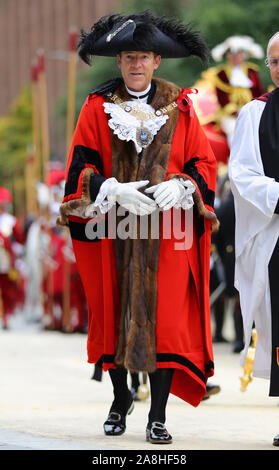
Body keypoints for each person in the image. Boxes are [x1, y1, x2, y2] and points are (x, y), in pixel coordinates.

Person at [58, 11, 218, 444]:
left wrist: (185, 187)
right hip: (114, 229)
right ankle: (119, 398)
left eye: (143, 57)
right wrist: (107, 186)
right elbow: (79, 167)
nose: (135, 65)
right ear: (119, 61)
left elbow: (204, 163)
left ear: (156, 61)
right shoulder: (97, 106)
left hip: (168, 234)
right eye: (128, 57)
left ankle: (159, 417)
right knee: (114, 313)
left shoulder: (181, 105)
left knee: (165, 319)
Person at [229, 31, 279, 447]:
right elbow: (242, 174)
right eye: (274, 62)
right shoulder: (255, 114)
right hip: (276, 233)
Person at [211, 35, 264, 147]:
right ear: (228, 56)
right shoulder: (221, 74)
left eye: (239, 54)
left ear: (245, 55)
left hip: (252, 110)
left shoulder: (252, 70)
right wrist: (236, 112)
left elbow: (259, 92)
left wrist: (253, 109)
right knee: (233, 132)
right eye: (233, 54)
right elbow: (222, 98)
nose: (236, 57)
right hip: (231, 114)